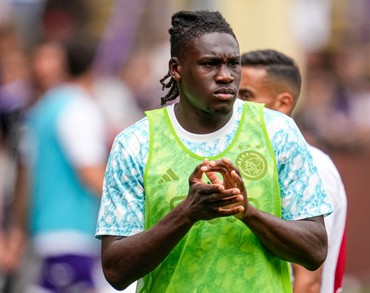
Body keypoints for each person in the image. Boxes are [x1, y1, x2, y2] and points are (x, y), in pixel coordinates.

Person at [95, 10, 332, 293]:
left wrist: (247, 212)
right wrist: (186, 214)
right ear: (176, 68)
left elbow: (315, 250)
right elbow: (115, 271)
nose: (225, 76)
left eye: (233, 64)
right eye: (210, 64)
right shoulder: (135, 143)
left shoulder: (277, 131)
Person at [239, 49, 347, 293]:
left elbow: (309, 280)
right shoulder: (255, 160)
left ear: (283, 103)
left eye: (246, 95)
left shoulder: (313, 165)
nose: (236, 105)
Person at [16, 36, 110, 292]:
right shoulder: (78, 108)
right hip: (73, 232)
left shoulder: (43, 108)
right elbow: (89, 172)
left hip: (45, 231)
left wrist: (19, 231)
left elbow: (25, 177)